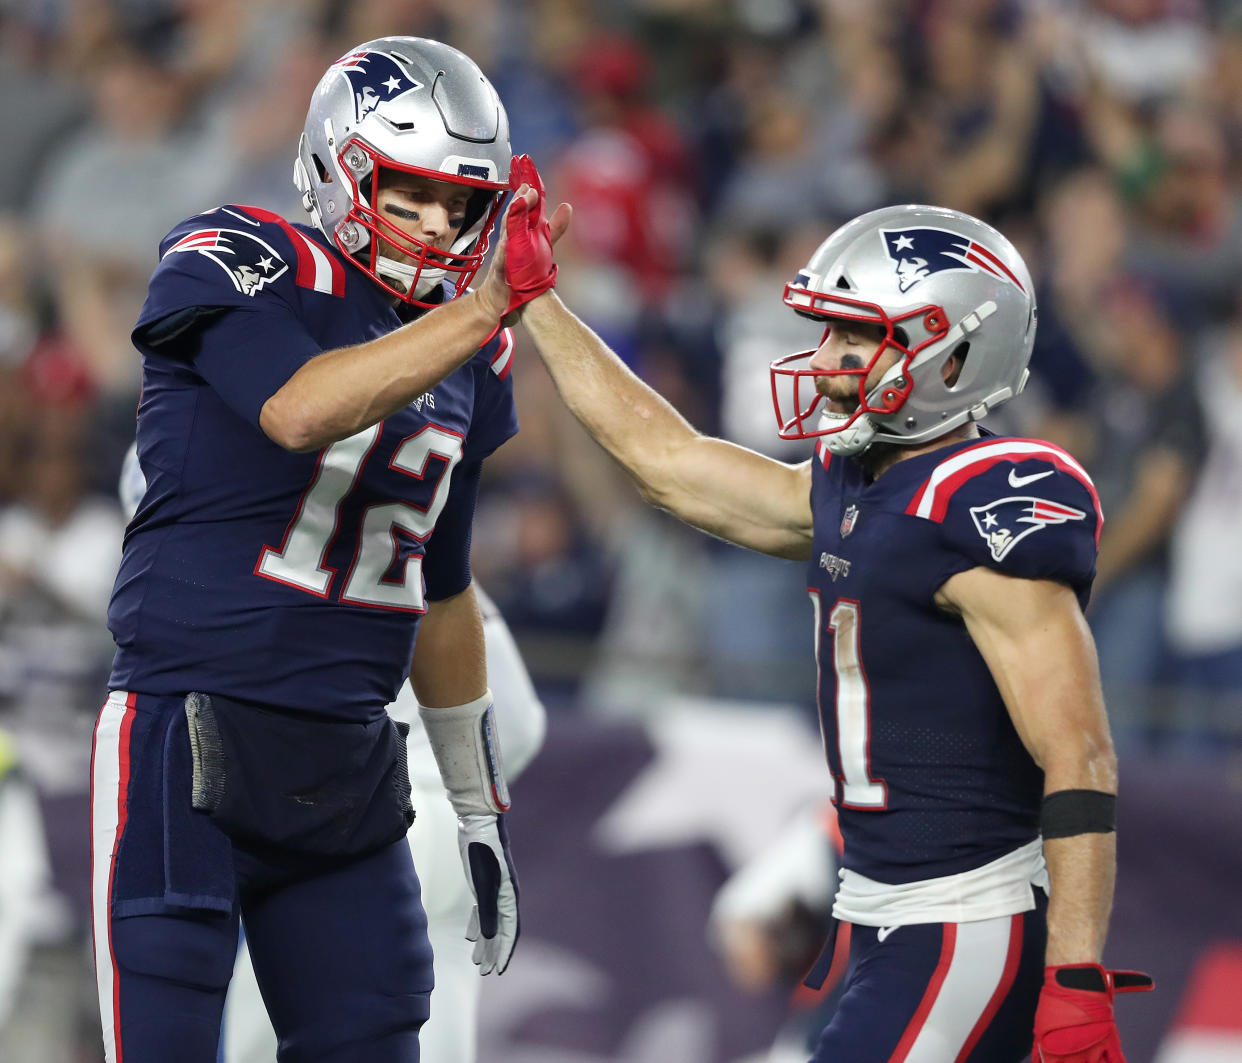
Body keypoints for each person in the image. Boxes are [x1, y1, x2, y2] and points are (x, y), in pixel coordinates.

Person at [512, 188, 1153, 1060]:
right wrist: (537, 299)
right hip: (890, 916)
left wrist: (1076, 976)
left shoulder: (981, 504)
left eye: (858, 337)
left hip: (965, 917)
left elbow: (1079, 753)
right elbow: (667, 461)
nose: (825, 360)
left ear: (951, 359)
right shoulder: (858, 486)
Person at [92, 36, 557, 1063]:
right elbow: (300, 411)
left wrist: (477, 808)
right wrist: (479, 311)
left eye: (462, 205)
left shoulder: (474, 350)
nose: (440, 226)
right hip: (189, 726)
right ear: (340, 168)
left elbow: (443, 591)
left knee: (378, 1037)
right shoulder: (240, 252)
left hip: (347, 757)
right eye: (411, 195)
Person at [120, 445, 549, 1063]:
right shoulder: (395, 525)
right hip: (414, 813)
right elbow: (520, 721)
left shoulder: (228, 545)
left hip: (349, 817)